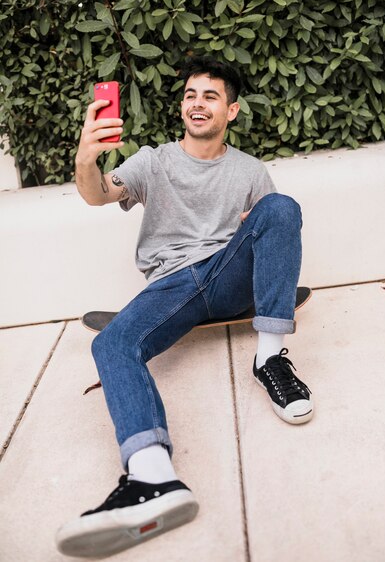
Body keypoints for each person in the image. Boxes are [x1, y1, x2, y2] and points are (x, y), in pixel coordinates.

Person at [56, 56, 313, 558]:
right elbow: (99, 195)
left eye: (211, 96)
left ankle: (270, 359)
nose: (198, 103)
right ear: (182, 106)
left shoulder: (249, 170)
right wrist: (86, 159)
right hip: (173, 284)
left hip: (227, 276)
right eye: (191, 95)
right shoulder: (153, 161)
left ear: (232, 111)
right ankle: (152, 475)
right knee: (113, 344)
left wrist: (253, 235)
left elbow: (273, 232)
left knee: (280, 208)